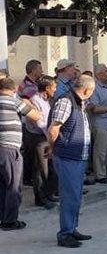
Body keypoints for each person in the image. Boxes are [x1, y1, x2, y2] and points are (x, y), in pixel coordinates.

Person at [48, 74, 95, 247]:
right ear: (87, 89)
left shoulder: (80, 103)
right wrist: (55, 149)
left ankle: (72, 228)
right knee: (69, 196)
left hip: (78, 156)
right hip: (67, 156)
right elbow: (53, 129)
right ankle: (65, 234)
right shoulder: (66, 101)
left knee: (75, 196)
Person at [0, 76, 40, 230]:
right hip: (10, 148)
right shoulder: (13, 101)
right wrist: (27, 103)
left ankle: (3, 217)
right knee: (13, 186)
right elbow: (35, 116)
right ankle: (10, 221)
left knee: (2, 186)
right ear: (14, 89)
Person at [23, 76, 58, 209]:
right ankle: (40, 198)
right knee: (40, 169)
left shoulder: (47, 100)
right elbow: (39, 123)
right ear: (47, 88)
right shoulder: (35, 100)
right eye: (53, 87)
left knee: (50, 168)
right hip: (38, 138)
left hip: (46, 137)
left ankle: (49, 193)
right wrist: (50, 134)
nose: (55, 89)